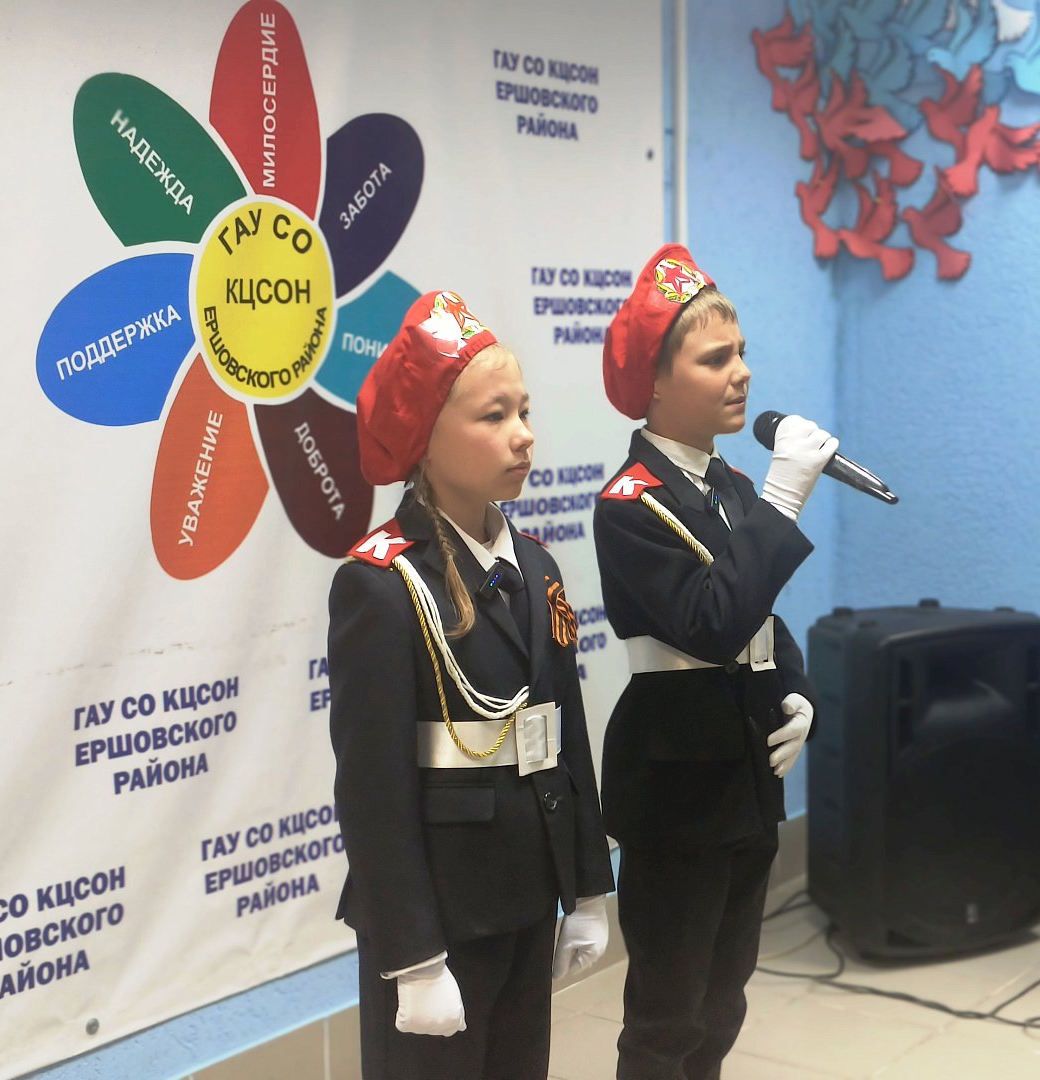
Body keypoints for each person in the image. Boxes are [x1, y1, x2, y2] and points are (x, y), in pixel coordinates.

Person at [328, 290, 614, 1080]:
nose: (523, 434)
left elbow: (564, 735)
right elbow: (372, 790)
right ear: (425, 435)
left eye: (524, 411)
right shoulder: (383, 586)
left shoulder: (536, 566)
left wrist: (588, 888)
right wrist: (415, 957)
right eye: (494, 416)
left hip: (526, 893)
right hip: (442, 912)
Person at [593, 244, 836, 1079]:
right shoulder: (630, 504)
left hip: (745, 775)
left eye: (742, 353)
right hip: (677, 785)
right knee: (669, 1014)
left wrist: (798, 691)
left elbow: (761, 615)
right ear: (656, 384)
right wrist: (785, 497)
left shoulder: (729, 485)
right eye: (715, 358)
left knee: (724, 1001)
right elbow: (710, 621)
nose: (743, 373)